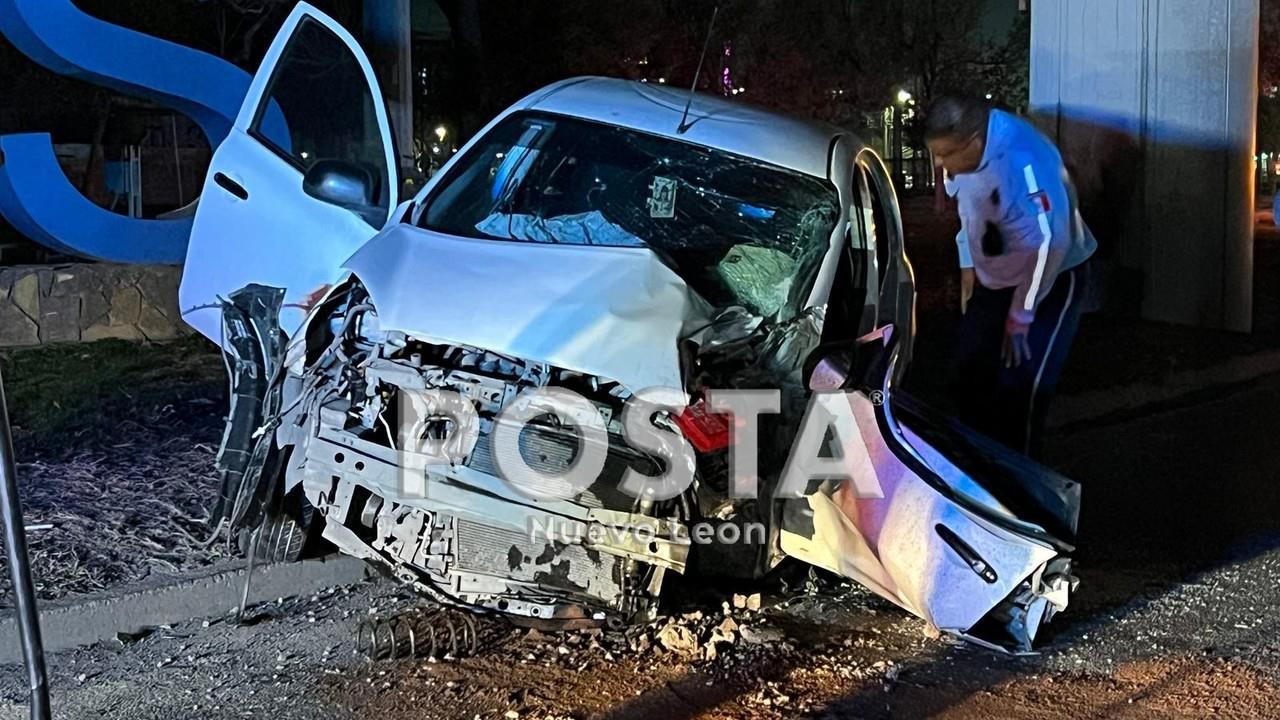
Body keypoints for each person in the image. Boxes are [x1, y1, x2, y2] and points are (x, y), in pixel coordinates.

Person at [924, 96, 1097, 460]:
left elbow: (1051, 243)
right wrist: (969, 263)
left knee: (1021, 387)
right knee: (973, 371)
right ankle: (974, 473)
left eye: (945, 155)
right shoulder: (961, 151)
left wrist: (1021, 315)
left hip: (1053, 275)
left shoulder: (1025, 160)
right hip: (998, 273)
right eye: (934, 154)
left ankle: (1019, 487)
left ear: (973, 141)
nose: (939, 164)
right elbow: (968, 207)